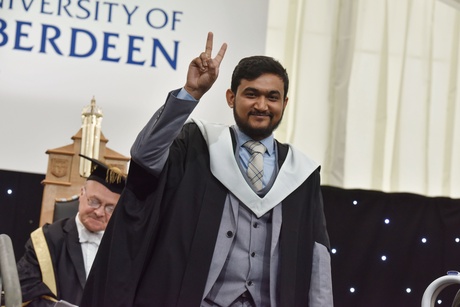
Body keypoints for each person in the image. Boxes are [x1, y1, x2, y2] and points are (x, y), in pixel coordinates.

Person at [81, 32, 333, 307]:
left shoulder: (301, 173)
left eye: (272, 97)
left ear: (284, 104)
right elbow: (144, 156)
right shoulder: (198, 146)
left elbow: (317, 256)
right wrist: (191, 94)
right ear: (230, 97)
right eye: (252, 94)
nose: (262, 105)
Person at [14, 154, 126, 307]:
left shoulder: (124, 248)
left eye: (110, 208)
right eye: (94, 201)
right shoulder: (46, 240)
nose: (99, 212)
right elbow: (23, 294)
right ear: (81, 194)